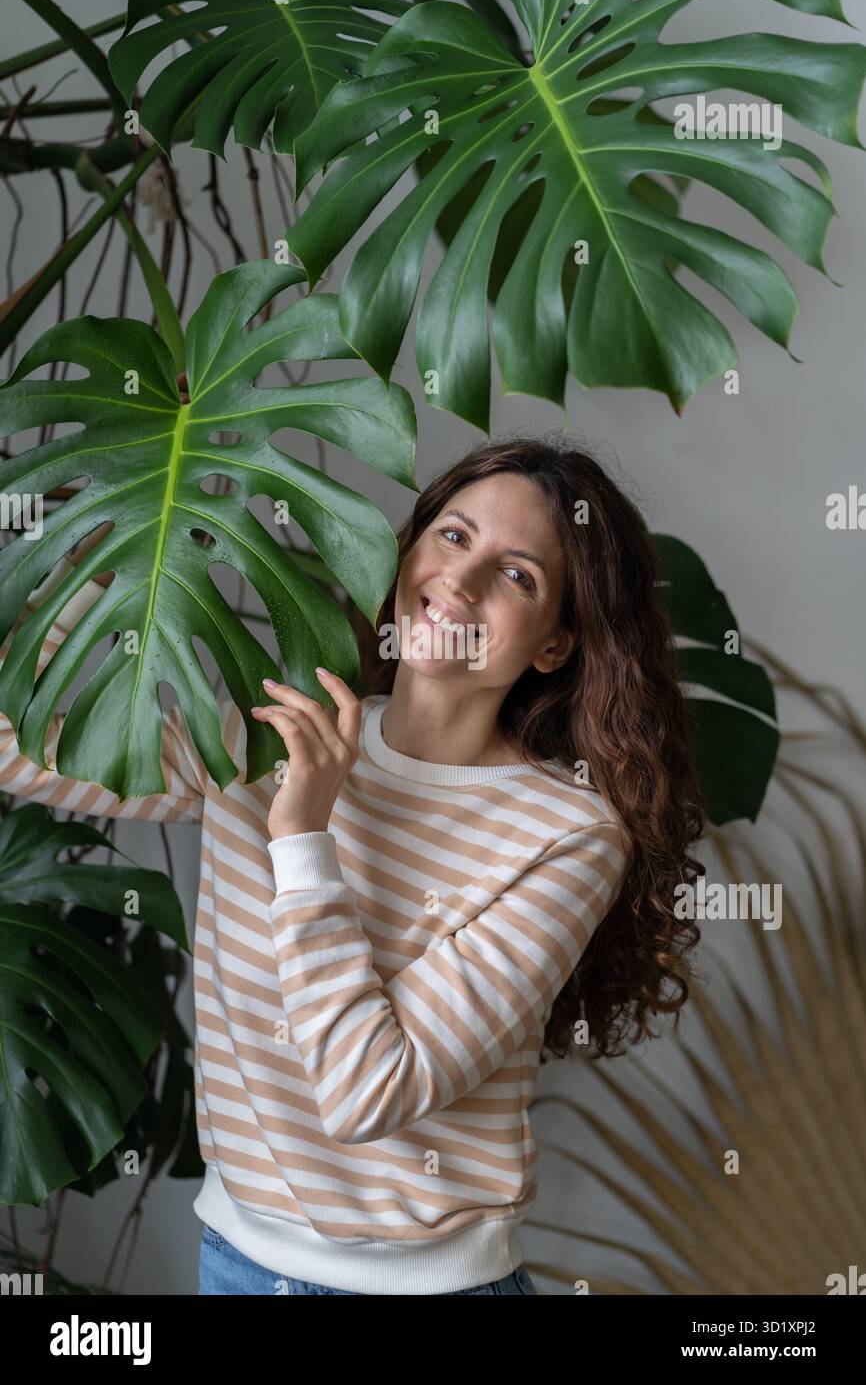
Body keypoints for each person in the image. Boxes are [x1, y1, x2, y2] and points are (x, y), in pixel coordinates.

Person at [0, 433, 705, 1295]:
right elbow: (16, 747)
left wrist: (303, 835)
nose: (463, 580)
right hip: (234, 1265)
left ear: (555, 646)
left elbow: (369, 1091)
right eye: (453, 536)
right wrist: (96, 569)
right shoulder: (266, 736)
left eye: (518, 575)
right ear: (407, 551)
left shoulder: (568, 832)